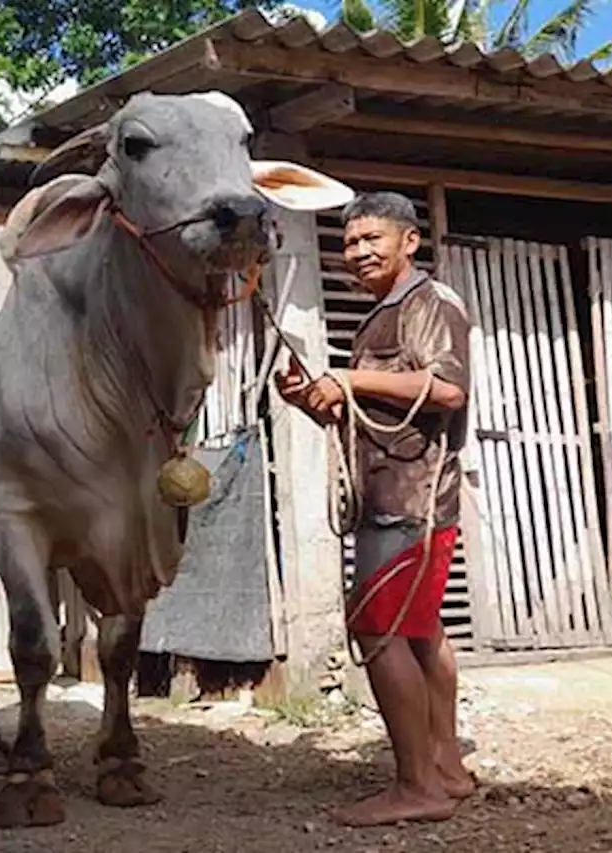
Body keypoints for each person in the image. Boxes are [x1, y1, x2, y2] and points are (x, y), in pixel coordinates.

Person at [274, 191, 475, 826]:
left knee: (379, 630)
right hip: (390, 492)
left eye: (371, 240)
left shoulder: (429, 304)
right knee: (419, 630)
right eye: (350, 242)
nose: (357, 252)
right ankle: (446, 766)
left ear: (409, 241)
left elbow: (447, 388)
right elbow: (367, 413)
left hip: (411, 497)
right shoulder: (381, 314)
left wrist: (350, 378)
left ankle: (418, 786)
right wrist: (311, 396)